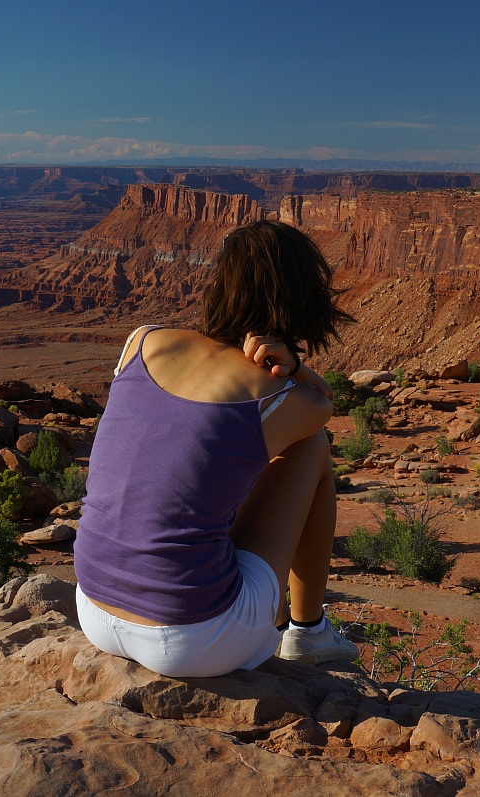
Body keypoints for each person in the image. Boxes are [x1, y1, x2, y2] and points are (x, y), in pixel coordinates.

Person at [73, 219, 358, 678]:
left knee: (211, 458)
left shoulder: (142, 340)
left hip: (93, 607)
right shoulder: (279, 396)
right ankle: (306, 631)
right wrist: (294, 367)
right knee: (310, 445)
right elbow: (324, 402)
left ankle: (282, 617)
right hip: (192, 637)